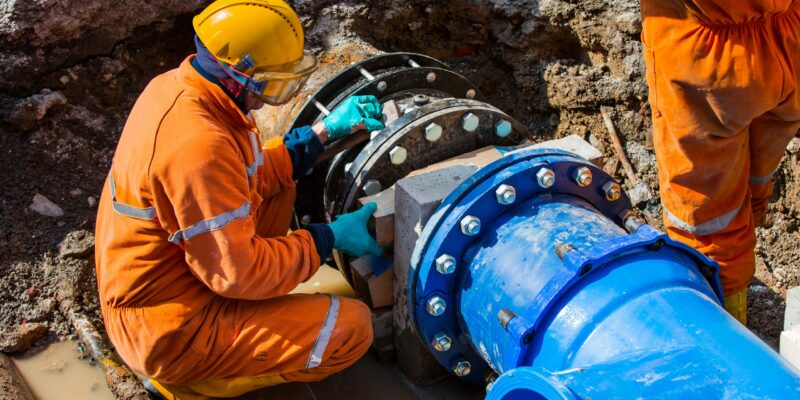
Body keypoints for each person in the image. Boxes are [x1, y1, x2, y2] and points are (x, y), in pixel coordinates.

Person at [94, 1, 385, 398]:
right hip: (171, 332)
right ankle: (194, 384)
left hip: (178, 284)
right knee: (351, 329)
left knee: (282, 185)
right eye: (270, 85)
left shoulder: (187, 91)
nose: (267, 100)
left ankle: (253, 321)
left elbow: (247, 176)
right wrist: (326, 239)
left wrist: (321, 133)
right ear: (236, 75)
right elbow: (238, 274)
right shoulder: (197, 148)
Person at [640, 0, 799, 324]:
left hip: (702, 51)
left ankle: (726, 332)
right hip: (791, 30)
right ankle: (751, 221)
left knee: (709, 222)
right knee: (759, 166)